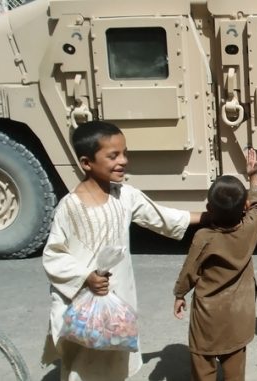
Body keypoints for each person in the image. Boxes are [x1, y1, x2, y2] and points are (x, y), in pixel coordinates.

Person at [42, 121, 205, 380]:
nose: (123, 160)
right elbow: (54, 255)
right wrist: (86, 277)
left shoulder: (125, 196)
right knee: (83, 363)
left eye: (125, 153)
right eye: (113, 155)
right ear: (86, 162)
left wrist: (212, 215)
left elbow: (163, 217)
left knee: (116, 358)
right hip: (84, 306)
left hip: (119, 304)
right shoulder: (69, 208)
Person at [173, 148, 257, 381]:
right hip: (240, 315)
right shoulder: (250, 227)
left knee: (203, 363)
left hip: (208, 316)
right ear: (244, 206)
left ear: (209, 209)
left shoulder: (204, 237)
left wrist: (180, 294)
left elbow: (189, 271)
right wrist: (253, 177)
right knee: (235, 364)